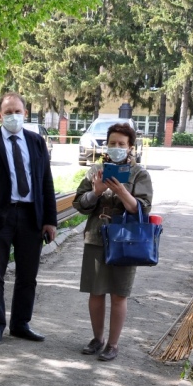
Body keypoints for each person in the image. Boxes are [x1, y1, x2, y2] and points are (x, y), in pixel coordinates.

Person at [0, 92, 57, 344]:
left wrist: (50, 219)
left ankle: (20, 324)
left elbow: (46, 181)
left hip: (31, 216)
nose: (13, 116)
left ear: (25, 113)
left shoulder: (36, 142)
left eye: (17, 112)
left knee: (27, 276)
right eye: (8, 112)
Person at [72, 123, 153, 361]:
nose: (116, 147)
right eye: (112, 143)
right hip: (97, 237)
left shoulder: (139, 174)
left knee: (119, 294)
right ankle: (97, 339)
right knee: (96, 292)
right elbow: (80, 205)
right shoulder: (96, 171)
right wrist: (96, 191)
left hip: (126, 241)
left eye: (121, 144)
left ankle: (113, 344)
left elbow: (142, 209)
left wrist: (122, 191)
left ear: (130, 147)